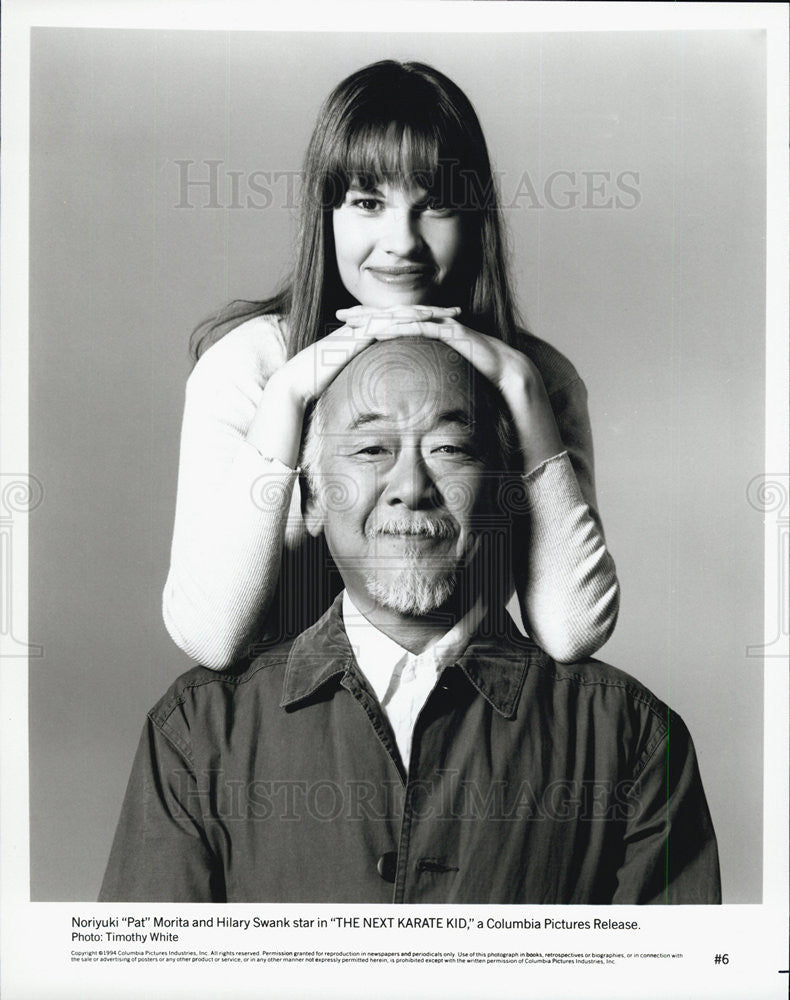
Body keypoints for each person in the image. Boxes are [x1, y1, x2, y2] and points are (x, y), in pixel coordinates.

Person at [101, 339, 720, 904]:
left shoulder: (633, 739)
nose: (410, 486)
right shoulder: (198, 734)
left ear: (507, 495)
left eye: (449, 448)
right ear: (312, 501)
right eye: (371, 449)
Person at [162, 59, 619, 669]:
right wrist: (290, 393)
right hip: (286, 729)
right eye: (368, 202)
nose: (402, 241)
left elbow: (573, 631)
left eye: (435, 205)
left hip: (468, 722)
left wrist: (520, 388)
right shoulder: (251, 366)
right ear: (327, 215)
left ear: (475, 217)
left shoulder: (535, 378)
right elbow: (210, 635)